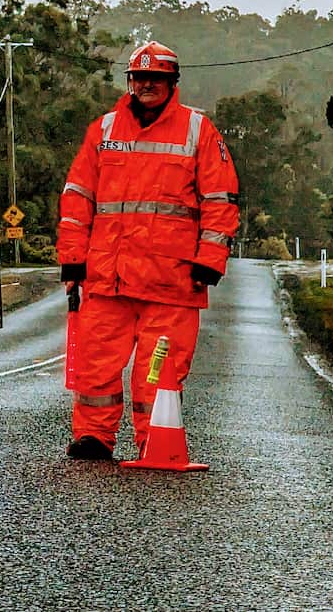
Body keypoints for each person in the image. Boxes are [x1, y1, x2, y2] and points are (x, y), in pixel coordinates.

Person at [56, 41, 239, 460]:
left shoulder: (198, 131)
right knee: (96, 366)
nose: (147, 85)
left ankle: (155, 439)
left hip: (171, 282)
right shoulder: (103, 130)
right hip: (108, 277)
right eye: (139, 78)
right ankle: (93, 438)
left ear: (172, 82)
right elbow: (77, 197)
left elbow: (221, 201)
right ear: (130, 82)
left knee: (157, 373)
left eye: (155, 78)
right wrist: (72, 257)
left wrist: (210, 260)